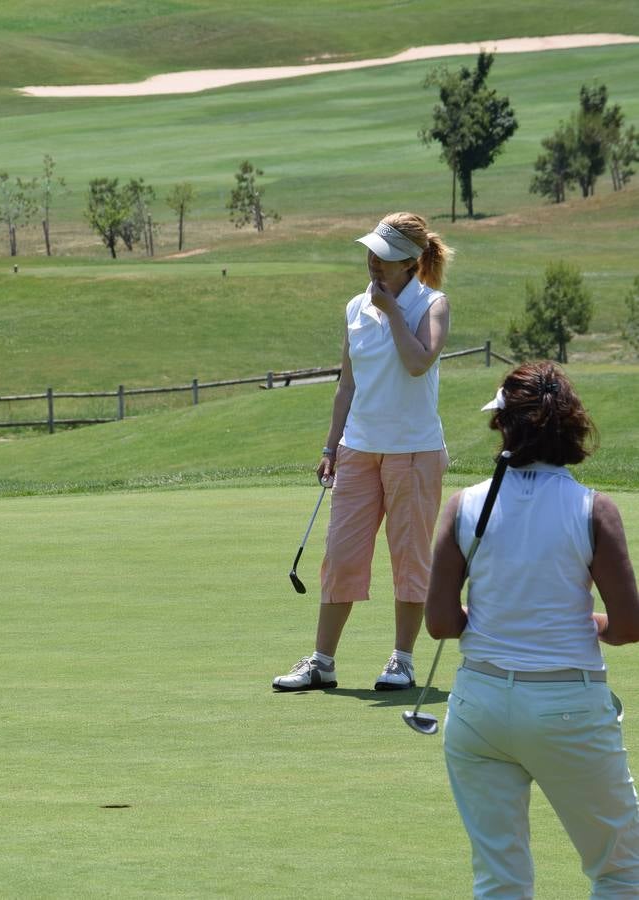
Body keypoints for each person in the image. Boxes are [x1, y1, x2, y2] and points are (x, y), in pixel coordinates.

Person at [427, 362, 639, 897]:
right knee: (623, 872)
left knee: (501, 882)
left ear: (504, 427)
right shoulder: (596, 510)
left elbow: (440, 623)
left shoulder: (464, 505)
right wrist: (591, 622)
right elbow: (629, 626)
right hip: (567, 708)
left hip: (478, 708)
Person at [273, 212, 454, 692]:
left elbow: (417, 363)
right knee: (341, 555)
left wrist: (393, 310)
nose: (374, 263)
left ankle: (402, 660)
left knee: (409, 558)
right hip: (358, 450)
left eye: (386, 257)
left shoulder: (431, 305)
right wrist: (330, 445)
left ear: (411, 263)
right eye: (372, 253)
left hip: (414, 451)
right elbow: (347, 384)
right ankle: (322, 663)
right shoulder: (355, 308)